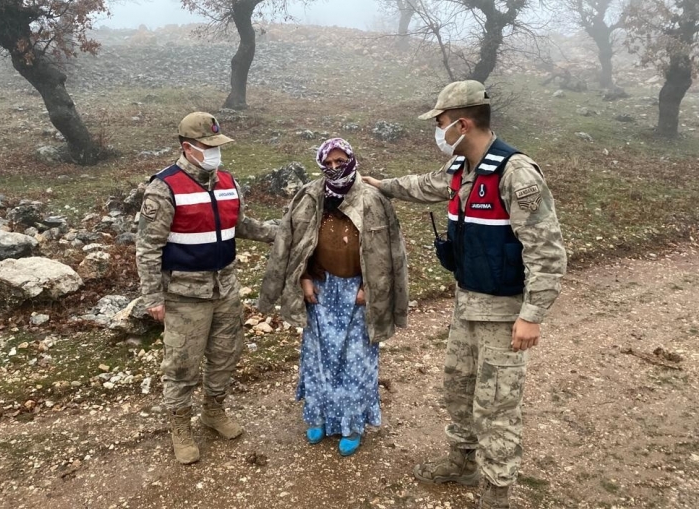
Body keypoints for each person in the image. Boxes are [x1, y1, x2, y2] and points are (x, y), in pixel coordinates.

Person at [363, 81, 567, 509]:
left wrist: (532, 315)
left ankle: (496, 494)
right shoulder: (460, 170)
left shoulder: (516, 174)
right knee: (458, 390)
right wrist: (379, 184)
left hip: (503, 314)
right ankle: (463, 462)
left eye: (439, 123)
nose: (437, 132)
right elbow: (422, 185)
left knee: (496, 406)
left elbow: (547, 253)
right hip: (466, 304)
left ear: (462, 123)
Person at [136, 111, 277, 465]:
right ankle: (180, 428)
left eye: (218, 145)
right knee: (182, 364)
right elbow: (148, 247)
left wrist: (282, 235)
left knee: (225, 356)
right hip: (184, 295)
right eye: (207, 146)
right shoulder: (164, 187)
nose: (215, 152)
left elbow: (242, 225)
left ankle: (213, 412)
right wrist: (152, 297)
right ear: (187, 147)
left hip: (225, 288)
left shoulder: (228, 181)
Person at [258, 138, 408, 457]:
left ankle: (352, 424)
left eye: (342, 161)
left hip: (358, 293)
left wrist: (373, 287)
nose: (336, 168)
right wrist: (304, 277)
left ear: (352, 159)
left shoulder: (372, 199)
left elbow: (389, 251)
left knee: (355, 361)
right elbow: (295, 242)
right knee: (320, 358)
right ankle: (320, 417)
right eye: (329, 163)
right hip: (322, 291)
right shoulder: (311, 196)